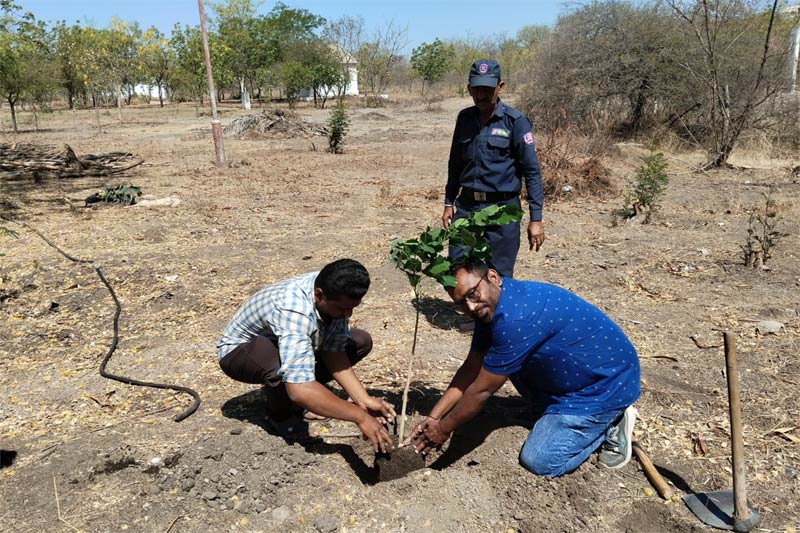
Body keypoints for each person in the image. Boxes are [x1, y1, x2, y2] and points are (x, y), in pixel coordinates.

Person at [412, 259, 640, 477]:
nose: (470, 307)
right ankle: (549, 405)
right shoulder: (494, 303)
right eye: (461, 303)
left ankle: (612, 422)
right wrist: (435, 416)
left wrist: (443, 429)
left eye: (473, 294)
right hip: (579, 371)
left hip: (604, 385)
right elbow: (472, 367)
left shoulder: (516, 319)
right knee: (502, 362)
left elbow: (482, 390)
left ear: (493, 277)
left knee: (539, 460)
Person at [217, 259, 395, 453]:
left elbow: (333, 352)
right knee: (281, 369)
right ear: (319, 295)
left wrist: (363, 399)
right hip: (240, 352)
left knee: (359, 341)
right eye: (342, 308)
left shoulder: (333, 289)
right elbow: (299, 390)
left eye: (352, 307)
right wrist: (359, 417)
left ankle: (307, 396)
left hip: (283, 342)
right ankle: (281, 417)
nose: (348, 314)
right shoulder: (293, 308)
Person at [442, 59, 546, 278]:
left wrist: (536, 218)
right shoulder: (464, 119)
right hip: (468, 207)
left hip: (502, 210)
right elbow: (455, 163)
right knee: (458, 271)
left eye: (487, 89)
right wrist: (449, 202)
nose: (481, 95)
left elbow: (532, 171)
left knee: (499, 276)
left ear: (500, 87)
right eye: (477, 89)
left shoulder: (515, 122)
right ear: (469, 88)